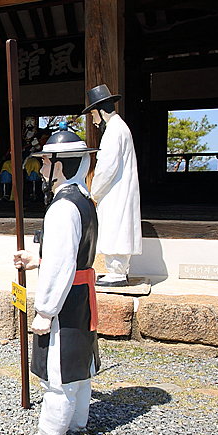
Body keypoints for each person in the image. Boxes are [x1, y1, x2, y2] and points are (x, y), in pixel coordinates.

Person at [13, 125, 99, 435]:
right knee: (79, 364)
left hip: (64, 298)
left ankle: (50, 432)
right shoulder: (85, 201)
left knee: (59, 369)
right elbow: (70, 255)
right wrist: (36, 258)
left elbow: (61, 265)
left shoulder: (63, 208)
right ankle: (77, 421)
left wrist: (45, 310)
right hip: (80, 294)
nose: (43, 169)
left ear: (61, 166)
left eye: (47, 163)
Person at [83, 84, 141, 287]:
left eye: (92, 115)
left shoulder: (113, 132)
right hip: (119, 190)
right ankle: (117, 271)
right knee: (118, 227)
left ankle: (117, 272)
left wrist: (94, 192)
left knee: (115, 228)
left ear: (99, 111)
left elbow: (105, 167)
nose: (92, 120)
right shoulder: (120, 128)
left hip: (115, 191)